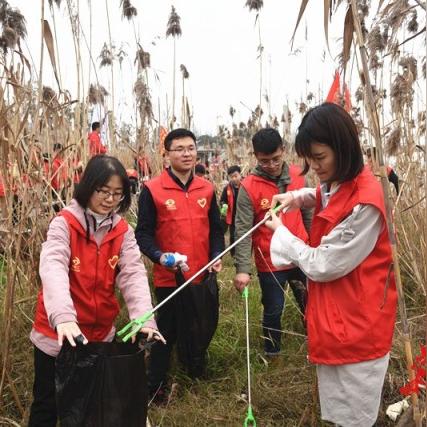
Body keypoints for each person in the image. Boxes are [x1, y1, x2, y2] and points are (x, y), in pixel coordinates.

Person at [266, 103, 397, 427]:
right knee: (340, 415)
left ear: (343, 148)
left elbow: (324, 263)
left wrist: (283, 236)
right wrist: (299, 197)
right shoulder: (339, 181)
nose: (313, 166)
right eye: (309, 158)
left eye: (320, 158)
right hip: (339, 320)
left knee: (354, 418)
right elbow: (327, 193)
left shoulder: (366, 203)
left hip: (358, 328)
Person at [29, 155, 164, 426]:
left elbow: (133, 274)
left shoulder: (122, 230)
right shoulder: (64, 223)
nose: (109, 199)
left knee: (94, 405)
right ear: (88, 186)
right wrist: (64, 318)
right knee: (48, 405)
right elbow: (53, 266)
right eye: (103, 191)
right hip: (58, 334)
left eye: (117, 193)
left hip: (100, 334)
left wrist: (143, 320)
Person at [135, 128, 225, 403]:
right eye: (179, 149)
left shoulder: (207, 188)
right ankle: (156, 387)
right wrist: (159, 256)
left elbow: (216, 230)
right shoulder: (153, 190)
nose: (186, 154)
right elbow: (143, 234)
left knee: (201, 324)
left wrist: (216, 254)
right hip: (170, 276)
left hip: (201, 274)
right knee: (168, 331)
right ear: (166, 155)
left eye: (191, 148)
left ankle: (195, 371)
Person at [233, 128, 311, 357]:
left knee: (311, 304)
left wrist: (316, 246)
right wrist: (242, 270)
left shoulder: (298, 175)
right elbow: (243, 229)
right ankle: (272, 353)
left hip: (301, 254)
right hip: (270, 260)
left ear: (283, 150)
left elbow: (308, 215)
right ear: (255, 156)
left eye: (276, 158)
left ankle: (316, 344)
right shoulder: (249, 186)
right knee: (274, 309)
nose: (272, 165)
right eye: (264, 161)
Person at [219, 165, 242, 255]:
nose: (234, 178)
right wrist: (224, 205)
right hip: (232, 215)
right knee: (232, 235)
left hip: (243, 215)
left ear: (240, 174)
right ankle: (233, 254)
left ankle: (244, 253)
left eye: (236, 176)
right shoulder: (227, 188)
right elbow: (222, 200)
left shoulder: (246, 186)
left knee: (243, 234)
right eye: (232, 177)